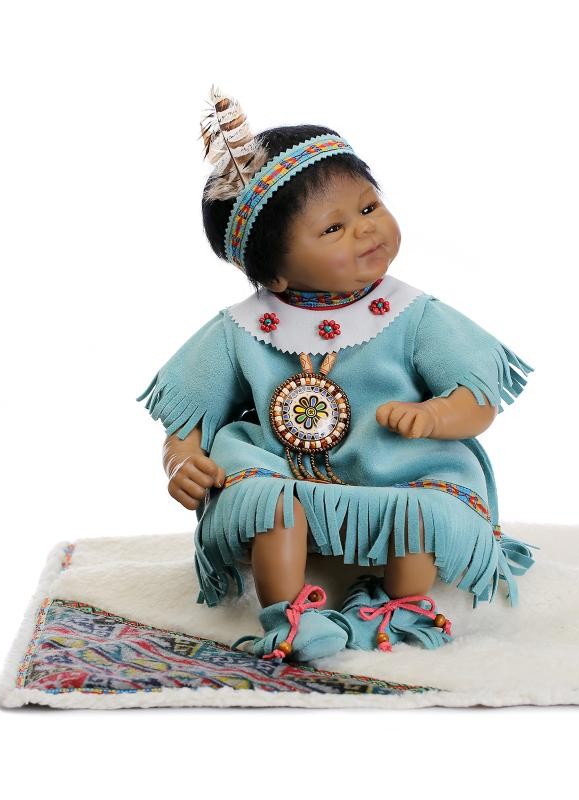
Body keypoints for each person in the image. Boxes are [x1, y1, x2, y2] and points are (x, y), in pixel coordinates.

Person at [136, 86, 538, 662]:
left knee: (421, 512)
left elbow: (478, 399)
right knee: (267, 499)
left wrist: (435, 416)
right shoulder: (242, 328)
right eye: (333, 229)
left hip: (396, 468)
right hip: (284, 467)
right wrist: (181, 460)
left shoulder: (412, 314)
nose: (365, 229)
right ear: (273, 273)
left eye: (369, 208)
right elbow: (190, 411)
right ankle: (289, 614)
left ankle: (399, 604)